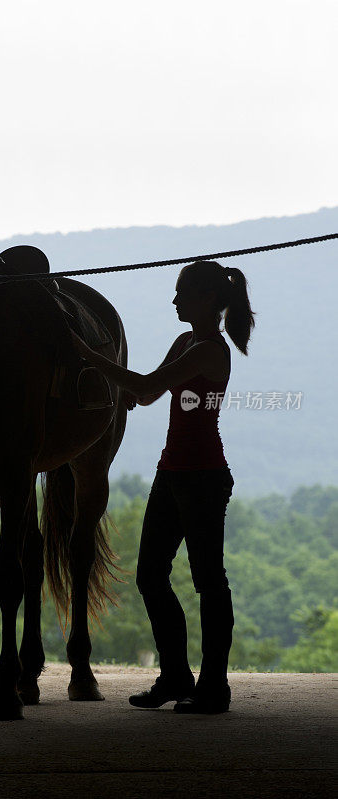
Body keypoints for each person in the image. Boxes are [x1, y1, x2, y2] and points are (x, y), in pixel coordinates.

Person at [71, 260, 256, 713]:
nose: (174, 301)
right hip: (173, 472)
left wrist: (88, 355)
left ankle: (214, 688)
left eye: (181, 293)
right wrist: (118, 388)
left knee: (209, 582)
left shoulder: (210, 349)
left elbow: (149, 385)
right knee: (151, 576)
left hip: (203, 477)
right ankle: (176, 676)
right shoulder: (185, 342)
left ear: (207, 299)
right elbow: (146, 393)